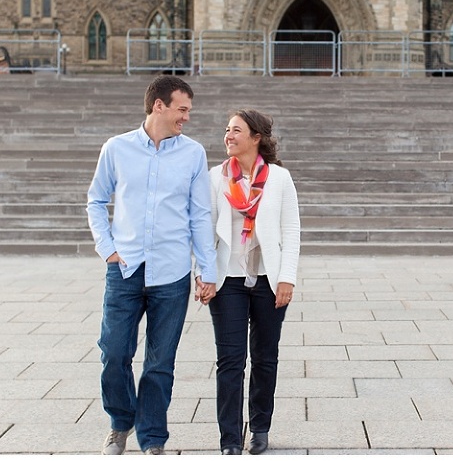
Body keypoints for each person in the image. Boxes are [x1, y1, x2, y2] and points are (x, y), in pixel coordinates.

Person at [86, 75, 218, 455]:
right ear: (158, 105)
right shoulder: (117, 148)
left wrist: (205, 271)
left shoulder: (192, 153)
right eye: (182, 109)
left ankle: (153, 438)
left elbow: (199, 215)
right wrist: (107, 248)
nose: (187, 117)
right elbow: (96, 200)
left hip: (172, 273)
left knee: (160, 362)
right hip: (124, 269)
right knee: (113, 352)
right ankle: (121, 422)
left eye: (188, 111)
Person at [196, 108, 300, 455]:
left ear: (256, 137)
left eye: (236, 130)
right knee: (230, 360)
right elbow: (204, 231)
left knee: (265, 357)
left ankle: (259, 428)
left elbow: (291, 231)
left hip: (269, 279)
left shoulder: (279, 179)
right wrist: (204, 274)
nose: (228, 135)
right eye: (227, 129)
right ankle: (229, 439)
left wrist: (287, 278)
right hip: (228, 281)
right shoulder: (214, 177)